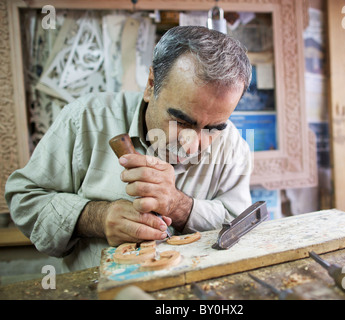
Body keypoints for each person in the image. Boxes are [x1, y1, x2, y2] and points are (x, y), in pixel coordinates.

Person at [5, 26, 253, 272]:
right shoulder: (85, 118)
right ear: (150, 84)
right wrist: (95, 218)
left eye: (214, 128)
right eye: (182, 122)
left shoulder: (233, 145)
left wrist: (179, 206)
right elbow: (25, 201)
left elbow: (243, 225)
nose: (192, 144)